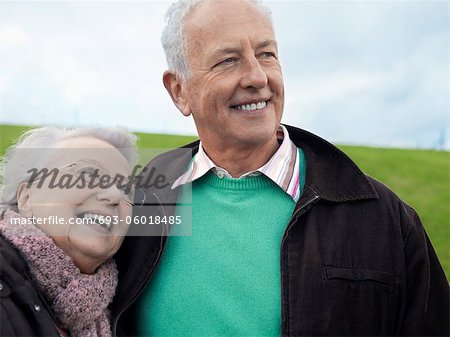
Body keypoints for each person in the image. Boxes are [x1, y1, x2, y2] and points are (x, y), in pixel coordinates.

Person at [111, 0, 449, 336]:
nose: (257, 77)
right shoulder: (137, 205)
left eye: (266, 54)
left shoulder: (385, 218)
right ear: (179, 91)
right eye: (228, 60)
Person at [0, 126, 137, 336]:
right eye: (89, 173)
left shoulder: (128, 308)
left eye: (126, 189)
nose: (114, 195)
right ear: (27, 197)